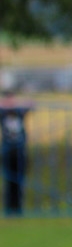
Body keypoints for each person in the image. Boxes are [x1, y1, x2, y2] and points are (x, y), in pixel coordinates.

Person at [1, 85, 33, 216]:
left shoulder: (19, 112)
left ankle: (18, 208)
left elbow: (31, 104)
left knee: (19, 182)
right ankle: (9, 209)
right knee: (9, 182)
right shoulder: (3, 113)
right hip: (7, 152)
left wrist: (19, 102)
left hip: (20, 152)